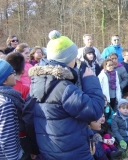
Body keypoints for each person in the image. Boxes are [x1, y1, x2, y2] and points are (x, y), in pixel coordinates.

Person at [25, 30, 105, 160]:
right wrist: (90, 80)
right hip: (73, 152)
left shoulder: (37, 82)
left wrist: (35, 147)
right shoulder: (64, 88)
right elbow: (95, 110)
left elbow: (28, 118)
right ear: (68, 59)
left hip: (49, 150)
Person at [0, 59, 24, 159]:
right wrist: (13, 158)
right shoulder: (6, 103)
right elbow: (7, 138)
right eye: (12, 72)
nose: (15, 75)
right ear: (4, 80)